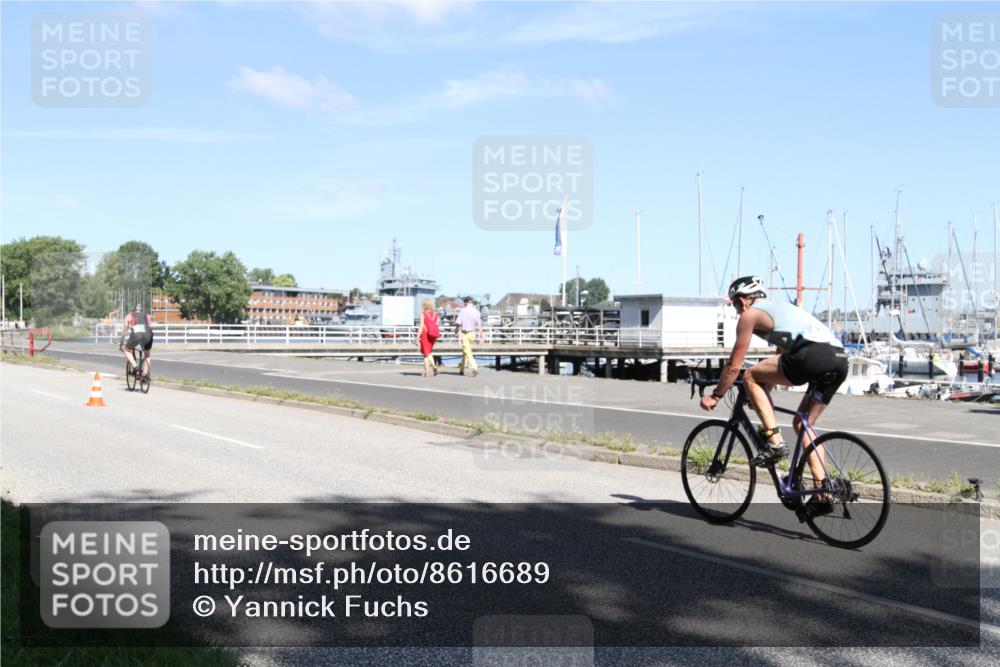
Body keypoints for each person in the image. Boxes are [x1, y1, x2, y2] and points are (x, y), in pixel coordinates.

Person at [699, 276, 848, 519]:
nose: (737, 311)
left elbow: (735, 365)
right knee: (803, 424)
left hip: (812, 355)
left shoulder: (750, 315)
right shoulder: (782, 311)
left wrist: (716, 395)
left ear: (742, 300)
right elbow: (778, 362)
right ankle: (823, 490)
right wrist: (759, 393)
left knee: (749, 375)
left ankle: (775, 442)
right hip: (840, 359)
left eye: (735, 306)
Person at [119, 303, 153, 378]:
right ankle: (145, 374)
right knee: (147, 354)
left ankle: (136, 367)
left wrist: (121, 342)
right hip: (148, 335)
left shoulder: (129, 316)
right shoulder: (147, 316)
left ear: (133, 310)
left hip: (137, 336)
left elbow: (125, 331)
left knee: (126, 350)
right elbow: (150, 327)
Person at [455, 296, 483, 377]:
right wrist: (482, 337)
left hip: (465, 333)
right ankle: (461, 369)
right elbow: (479, 326)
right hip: (473, 333)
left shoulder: (463, 311)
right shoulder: (477, 312)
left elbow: (458, 323)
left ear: (465, 302)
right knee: (465, 352)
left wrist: (456, 331)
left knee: (468, 352)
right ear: (472, 302)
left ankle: (474, 368)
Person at [416, 298, 440, 377]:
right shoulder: (435, 314)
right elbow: (436, 325)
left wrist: (417, 338)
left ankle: (431, 368)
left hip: (425, 335)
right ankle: (428, 371)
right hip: (433, 336)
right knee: (428, 353)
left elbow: (421, 326)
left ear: (424, 305)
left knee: (427, 354)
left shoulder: (423, 314)